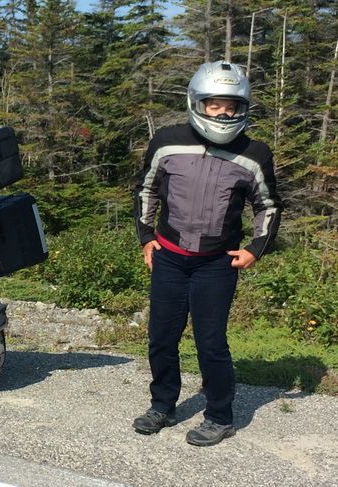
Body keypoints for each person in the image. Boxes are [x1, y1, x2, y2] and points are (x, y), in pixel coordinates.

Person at [132, 61, 282, 446]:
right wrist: (146, 235)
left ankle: (219, 415)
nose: (224, 112)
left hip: (216, 263)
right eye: (215, 104)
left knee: (210, 341)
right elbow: (146, 189)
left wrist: (255, 249)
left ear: (243, 107)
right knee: (161, 338)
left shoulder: (254, 153)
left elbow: (268, 205)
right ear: (197, 102)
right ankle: (162, 406)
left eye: (232, 105)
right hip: (168, 256)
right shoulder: (167, 141)